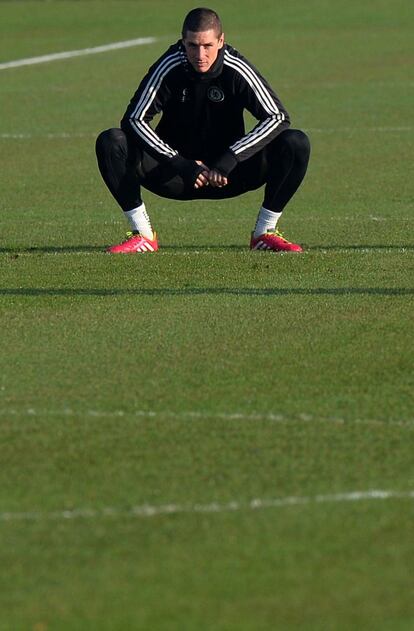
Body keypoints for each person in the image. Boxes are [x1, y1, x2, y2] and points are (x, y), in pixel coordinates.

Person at [96, 7, 310, 254]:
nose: (200, 54)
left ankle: (265, 232)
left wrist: (229, 158)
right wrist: (180, 162)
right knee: (111, 141)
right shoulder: (170, 65)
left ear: (221, 41)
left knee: (295, 143)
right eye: (192, 45)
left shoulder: (235, 68)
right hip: (175, 174)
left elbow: (277, 116)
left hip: (229, 174)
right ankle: (143, 234)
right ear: (182, 41)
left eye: (207, 45)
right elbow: (134, 120)